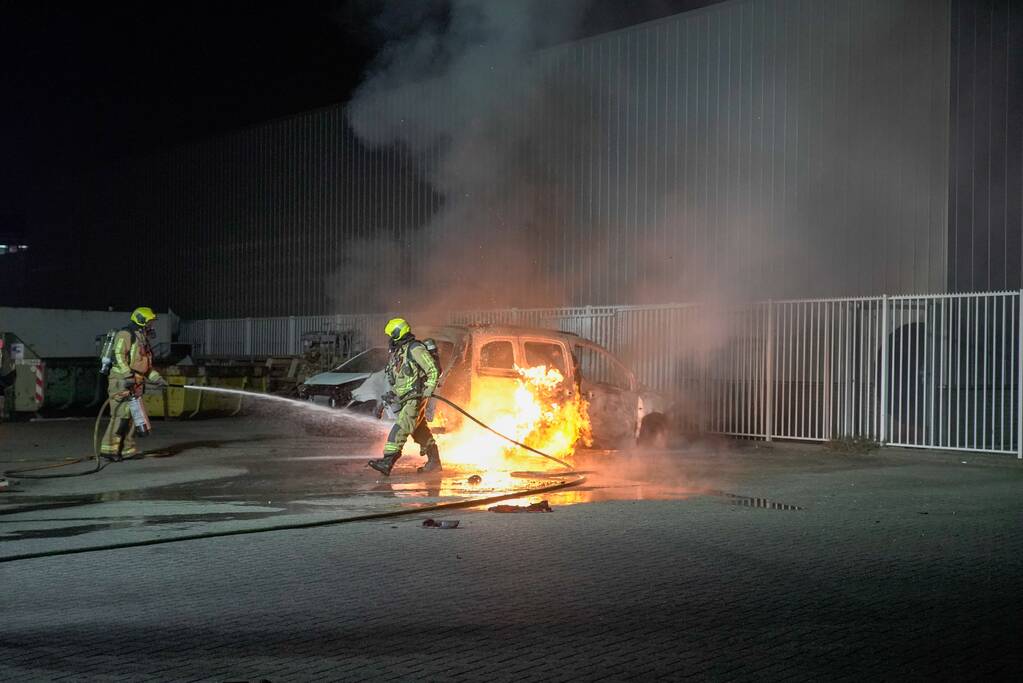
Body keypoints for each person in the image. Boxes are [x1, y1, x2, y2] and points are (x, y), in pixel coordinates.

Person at [367, 318, 441, 476]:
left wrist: (428, 389)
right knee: (419, 431)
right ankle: (434, 463)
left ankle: (387, 462)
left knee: (400, 428)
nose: (390, 339)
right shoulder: (400, 352)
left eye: (392, 335)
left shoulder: (415, 348)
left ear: (398, 332)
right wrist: (390, 396)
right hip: (406, 398)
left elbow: (433, 369)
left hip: (415, 398)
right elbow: (401, 380)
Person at [100, 307, 165, 460]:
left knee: (132, 417)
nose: (151, 325)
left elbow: (144, 365)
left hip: (135, 383)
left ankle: (127, 450)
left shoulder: (142, 338)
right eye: (149, 322)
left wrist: (157, 378)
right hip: (121, 382)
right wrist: (127, 376)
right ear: (141, 320)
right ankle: (109, 450)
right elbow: (118, 356)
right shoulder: (126, 334)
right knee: (120, 416)